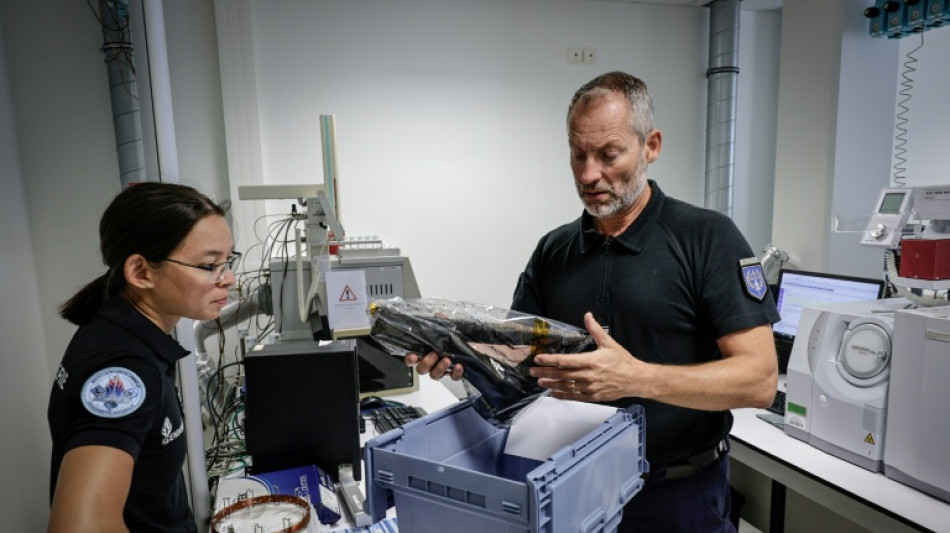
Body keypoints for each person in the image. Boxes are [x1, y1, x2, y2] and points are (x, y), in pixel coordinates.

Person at [408, 71, 779, 532]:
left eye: (609, 155)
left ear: (651, 145)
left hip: (677, 496)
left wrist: (637, 378)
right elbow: (520, 359)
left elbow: (760, 379)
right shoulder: (553, 250)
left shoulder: (707, 238)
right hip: (570, 489)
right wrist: (462, 355)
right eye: (578, 155)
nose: (588, 174)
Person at [48, 182, 237, 533]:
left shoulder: (114, 330)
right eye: (210, 265)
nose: (229, 279)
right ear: (141, 272)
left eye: (228, 262)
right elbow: (80, 526)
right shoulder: (124, 372)